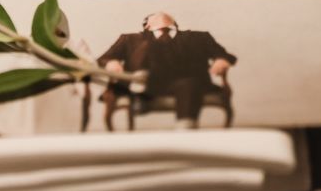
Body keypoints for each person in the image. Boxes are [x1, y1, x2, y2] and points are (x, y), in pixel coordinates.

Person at [97, 12, 237, 129]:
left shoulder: (198, 37)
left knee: (188, 84)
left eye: (165, 17)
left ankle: (186, 128)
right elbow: (104, 58)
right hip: (147, 81)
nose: (161, 16)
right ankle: (138, 93)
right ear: (147, 25)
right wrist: (112, 62)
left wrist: (221, 60)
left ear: (174, 23)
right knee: (143, 63)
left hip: (184, 83)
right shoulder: (130, 39)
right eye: (155, 17)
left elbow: (226, 56)